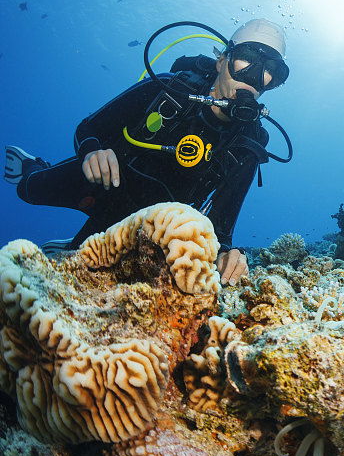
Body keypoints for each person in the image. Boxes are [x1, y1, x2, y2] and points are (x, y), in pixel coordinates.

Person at [4, 18, 291, 285]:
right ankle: (33, 167)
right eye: (248, 59)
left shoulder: (250, 143)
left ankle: (72, 246)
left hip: (143, 228)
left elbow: (223, 227)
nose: (255, 76)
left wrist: (228, 254)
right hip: (102, 181)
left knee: (80, 271)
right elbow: (88, 129)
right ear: (221, 60)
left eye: (270, 70)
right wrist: (92, 153)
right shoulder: (168, 88)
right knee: (28, 191)